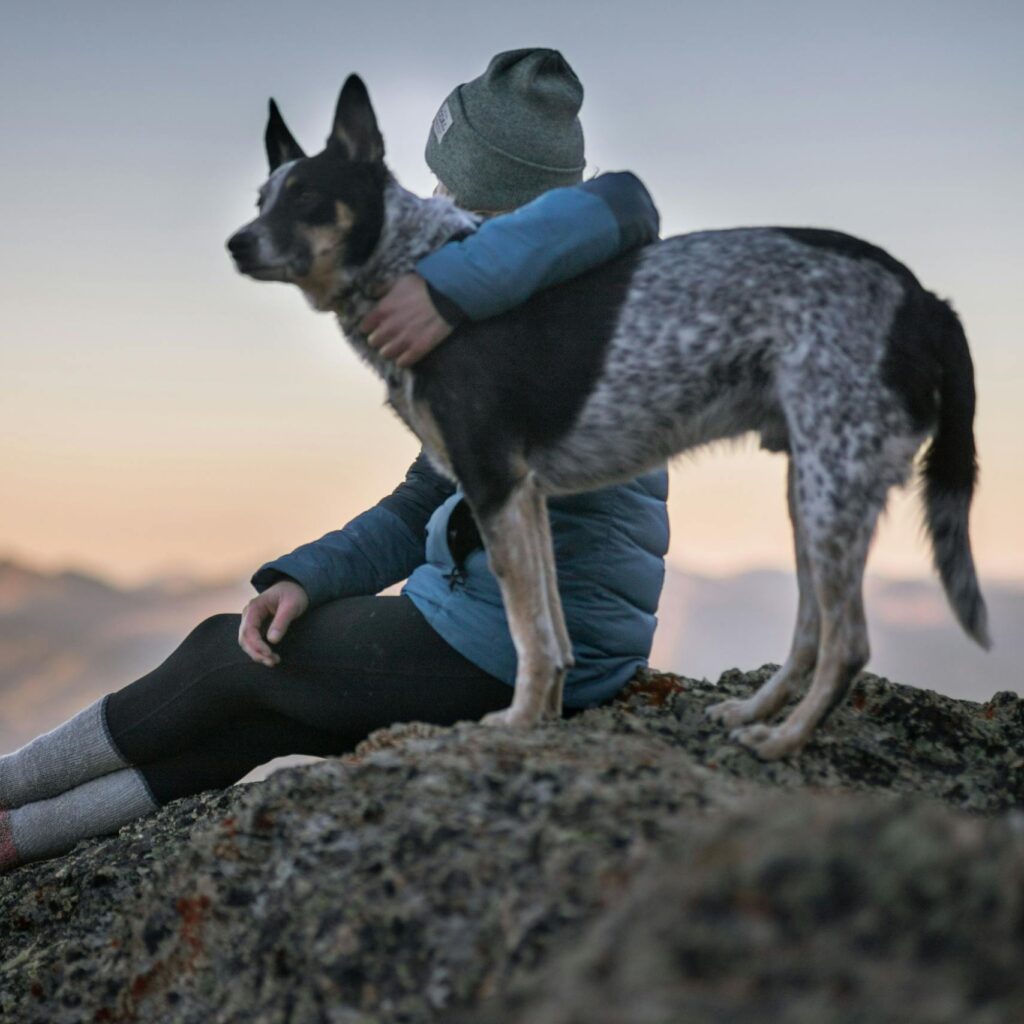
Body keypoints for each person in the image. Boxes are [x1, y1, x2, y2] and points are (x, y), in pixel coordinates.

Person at [0, 49, 669, 872]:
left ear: (500, 206)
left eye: (450, 189)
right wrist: (308, 576)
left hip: (524, 647)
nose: (430, 202)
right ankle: (19, 837)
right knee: (262, 715)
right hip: (508, 626)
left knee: (226, 654)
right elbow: (426, 494)